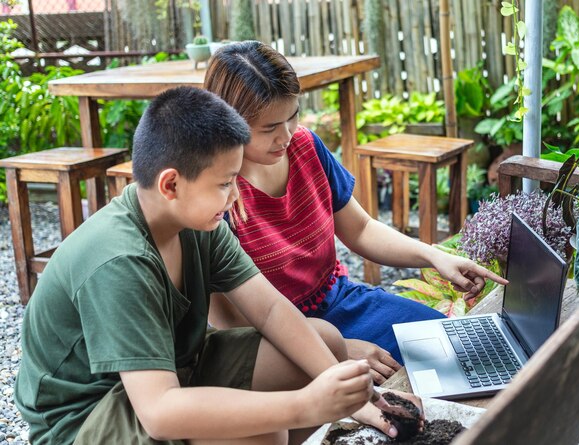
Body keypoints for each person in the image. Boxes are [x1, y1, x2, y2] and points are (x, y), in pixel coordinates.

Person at [14, 86, 421, 445]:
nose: (234, 197)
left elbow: (270, 309)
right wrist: (307, 405)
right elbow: (158, 412)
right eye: (226, 183)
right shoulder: (119, 261)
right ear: (171, 184)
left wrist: (360, 401)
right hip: (90, 416)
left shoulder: (196, 224)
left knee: (326, 343)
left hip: (173, 367)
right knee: (263, 435)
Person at [203, 41, 508, 384]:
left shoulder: (306, 147)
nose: (286, 136)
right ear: (228, 123)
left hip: (340, 302)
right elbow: (229, 320)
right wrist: (337, 349)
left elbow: (360, 229)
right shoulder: (213, 196)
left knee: (464, 351)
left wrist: (435, 256)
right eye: (269, 129)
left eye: (293, 117)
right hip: (273, 340)